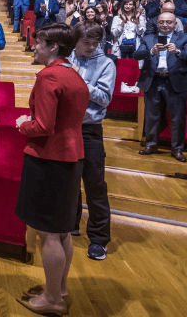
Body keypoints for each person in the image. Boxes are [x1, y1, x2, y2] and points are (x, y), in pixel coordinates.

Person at [14, 24, 88, 316]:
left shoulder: (49, 76)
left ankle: (52, 299)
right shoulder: (73, 73)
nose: (34, 47)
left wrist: (23, 124)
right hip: (71, 157)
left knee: (48, 233)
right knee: (62, 230)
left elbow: (43, 126)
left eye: (39, 43)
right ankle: (60, 289)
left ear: (54, 46)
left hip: (49, 158)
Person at [70, 23, 115, 260]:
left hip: (89, 129)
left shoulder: (106, 64)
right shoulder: (66, 59)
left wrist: (78, 80)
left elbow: (104, 98)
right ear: (75, 41)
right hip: (67, 127)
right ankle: (71, 223)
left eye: (95, 43)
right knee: (69, 180)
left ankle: (99, 239)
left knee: (95, 185)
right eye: (86, 42)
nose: (91, 47)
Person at [133, 12, 187, 161]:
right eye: (161, 22)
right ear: (157, 23)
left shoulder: (184, 38)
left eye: (169, 22)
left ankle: (177, 150)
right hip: (153, 80)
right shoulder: (149, 38)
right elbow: (137, 55)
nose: (165, 25)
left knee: (178, 118)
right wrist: (151, 51)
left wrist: (178, 51)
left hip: (176, 82)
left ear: (175, 24)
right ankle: (151, 145)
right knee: (151, 116)